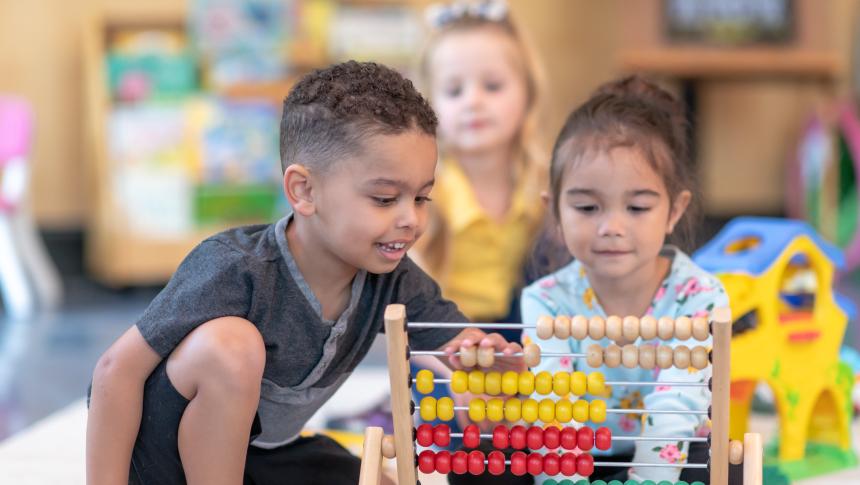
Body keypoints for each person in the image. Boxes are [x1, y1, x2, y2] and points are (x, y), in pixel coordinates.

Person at [86, 60, 523, 485]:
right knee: (231, 347)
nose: (411, 219)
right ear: (304, 191)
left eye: (422, 198)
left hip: (262, 453)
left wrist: (483, 361)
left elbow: (459, 344)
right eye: (386, 199)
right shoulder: (235, 268)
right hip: (161, 462)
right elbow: (115, 371)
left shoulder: (394, 280)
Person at [521, 75, 729, 483]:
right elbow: (553, 401)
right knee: (484, 466)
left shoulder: (700, 296)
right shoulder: (545, 300)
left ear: (673, 210)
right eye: (587, 207)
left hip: (672, 451)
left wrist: (647, 481)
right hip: (580, 453)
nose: (611, 227)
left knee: (727, 469)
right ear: (555, 212)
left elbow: (676, 403)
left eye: (636, 208)